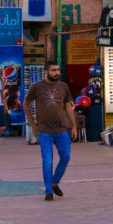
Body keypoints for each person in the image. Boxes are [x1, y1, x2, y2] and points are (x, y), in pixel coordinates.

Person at [23, 61, 77, 201]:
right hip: (44, 130)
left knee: (66, 157)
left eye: (58, 70)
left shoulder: (63, 87)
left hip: (61, 129)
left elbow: (67, 106)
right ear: (46, 72)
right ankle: (48, 191)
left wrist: (74, 125)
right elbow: (25, 103)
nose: (57, 73)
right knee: (47, 161)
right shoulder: (36, 87)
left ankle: (54, 181)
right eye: (53, 70)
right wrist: (33, 125)